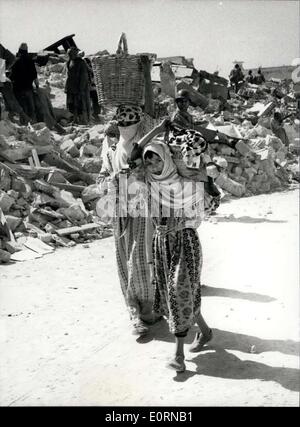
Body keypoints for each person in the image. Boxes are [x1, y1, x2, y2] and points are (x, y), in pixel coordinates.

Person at [97, 55, 162, 336]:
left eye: (130, 120)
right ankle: (134, 312)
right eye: (122, 121)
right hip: (120, 207)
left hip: (144, 206)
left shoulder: (147, 141)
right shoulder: (110, 146)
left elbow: (158, 170)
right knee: (124, 257)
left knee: (143, 255)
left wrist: (140, 172)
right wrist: (112, 180)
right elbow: (101, 177)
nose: (125, 125)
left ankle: (147, 308)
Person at [140, 140, 212, 373]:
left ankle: (178, 356)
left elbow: (198, 217)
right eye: (148, 160)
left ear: (167, 159)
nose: (152, 163)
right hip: (162, 247)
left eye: (157, 158)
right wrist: (151, 260)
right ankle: (206, 331)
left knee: (179, 293)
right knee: (178, 294)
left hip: (185, 243)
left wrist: (178, 224)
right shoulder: (149, 187)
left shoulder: (185, 184)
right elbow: (150, 225)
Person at [10, 42, 38, 123]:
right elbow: (34, 75)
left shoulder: (16, 61)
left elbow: (12, 75)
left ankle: (24, 124)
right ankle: (34, 123)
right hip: (28, 88)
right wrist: (37, 86)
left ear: (19, 50)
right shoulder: (30, 61)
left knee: (22, 107)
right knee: (31, 107)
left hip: (18, 88)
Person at [65, 47, 90, 124]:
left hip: (79, 87)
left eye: (71, 53)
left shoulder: (81, 62)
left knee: (79, 104)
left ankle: (83, 120)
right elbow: (68, 76)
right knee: (71, 104)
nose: (69, 55)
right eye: (68, 54)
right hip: (71, 87)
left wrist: (81, 88)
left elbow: (84, 77)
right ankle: (74, 119)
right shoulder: (69, 62)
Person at [83, 56, 102, 121]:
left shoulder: (92, 69)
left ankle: (95, 115)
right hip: (88, 88)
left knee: (95, 102)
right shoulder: (85, 70)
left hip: (92, 88)